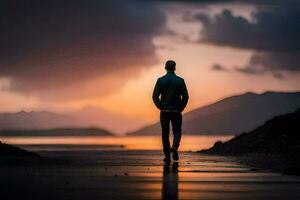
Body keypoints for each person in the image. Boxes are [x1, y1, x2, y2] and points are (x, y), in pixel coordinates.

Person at [152, 60, 189, 163]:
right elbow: (185, 97)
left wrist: (160, 106)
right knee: (177, 131)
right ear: (175, 68)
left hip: (164, 111)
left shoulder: (161, 80)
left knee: (165, 133)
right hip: (176, 111)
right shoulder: (180, 81)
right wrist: (181, 108)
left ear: (165, 67)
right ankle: (175, 147)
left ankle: (167, 156)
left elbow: (155, 96)